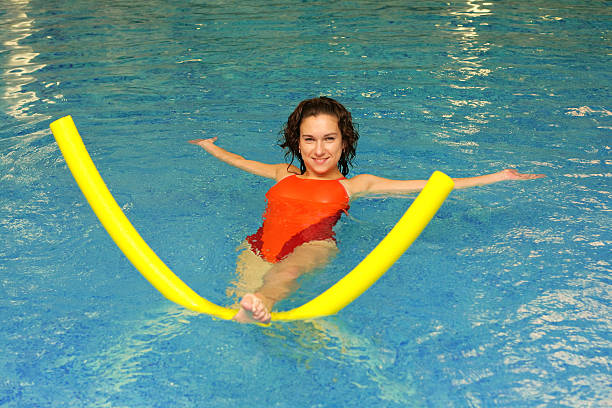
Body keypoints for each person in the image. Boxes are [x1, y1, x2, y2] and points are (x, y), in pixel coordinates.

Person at [189, 96, 544, 324]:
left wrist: (499, 176)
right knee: (237, 308)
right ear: (297, 143)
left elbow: (424, 187)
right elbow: (240, 161)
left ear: (344, 142)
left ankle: (266, 301)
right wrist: (209, 146)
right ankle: (276, 317)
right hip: (262, 242)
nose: (319, 149)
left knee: (282, 279)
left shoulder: (354, 185)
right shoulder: (283, 173)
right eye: (309, 139)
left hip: (311, 243)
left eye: (329, 139)